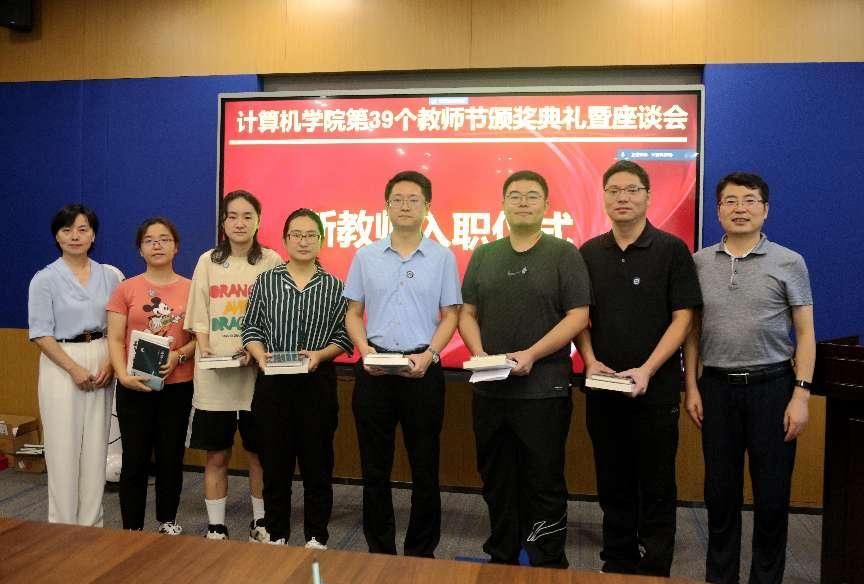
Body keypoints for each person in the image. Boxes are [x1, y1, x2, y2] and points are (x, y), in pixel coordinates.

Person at [683, 172, 815, 584]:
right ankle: (720, 578)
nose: (740, 208)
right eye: (731, 201)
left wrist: (801, 395)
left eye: (750, 200)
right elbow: (692, 332)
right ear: (718, 209)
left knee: (772, 498)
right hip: (716, 390)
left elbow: (805, 333)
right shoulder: (699, 262)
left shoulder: (789, 262)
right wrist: (691, 387)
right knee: (719, 496)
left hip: (772, 388)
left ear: (765, 209)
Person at [575, 160, 702, 576]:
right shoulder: (588, 253)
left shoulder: (671, 250)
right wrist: (590, 360)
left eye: (632, 190)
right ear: (604, 197)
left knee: (656, 483)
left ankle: (655, 566)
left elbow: (684, 319)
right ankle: (617, 559)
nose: (622, 198)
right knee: (612, 480)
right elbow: (579, 317)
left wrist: (647, 369)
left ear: (648, 196)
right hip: (603, 387)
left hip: (655, 389)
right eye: (614, 190)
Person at [458, 170, 591, 567]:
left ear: (546, 205)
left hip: (543, 391)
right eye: (514, 195)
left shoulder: (564, 254)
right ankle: (502, 555)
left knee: (543, 481)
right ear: (503, 204)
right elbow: (467, 313)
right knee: (496, 479)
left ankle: (546, 560)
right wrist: (480, 353)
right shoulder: (484, 254)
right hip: (490, 389)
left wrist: (532, 353)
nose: (522, 202)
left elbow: (578, 315)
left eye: (532, 196)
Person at [344, 170, 462, 557]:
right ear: (387, 207)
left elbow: (450, 315)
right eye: (397, 199)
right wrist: (364, 351)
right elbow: (353, 313)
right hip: (375, 368)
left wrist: (430, 355)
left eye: (414, 200)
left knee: (425, 468)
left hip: (421, 369)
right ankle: (379, 549)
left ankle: (421, 551)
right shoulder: (366, 256)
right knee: (374, 469)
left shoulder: (442, 257)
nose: (405, 206)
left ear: (427, 207)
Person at [242, 208, 352, 548]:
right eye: (297, 235)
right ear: (286, 240)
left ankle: (317, 535)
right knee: (275, 464)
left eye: (311, 235)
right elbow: (251, 328)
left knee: (318, 465)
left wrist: (321, 354)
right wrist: (260, 355)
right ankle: (276, 533)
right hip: (273, 384)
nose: (304, 241)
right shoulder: (266, 281)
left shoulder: (335, 286)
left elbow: (344, 336)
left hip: (317, 383)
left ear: (321, 240)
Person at [184, 190, 282, 541]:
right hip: (215, 377)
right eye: (232, 216)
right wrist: (207, 349)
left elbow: (277, 314)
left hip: (256, 376)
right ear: (223, 222)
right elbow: (199, 315)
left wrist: (255, 349)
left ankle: (261, 523)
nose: (240, 223)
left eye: (247, 216)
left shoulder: (271, 261)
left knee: (259, 455)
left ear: (258, 221)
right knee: (216, 455)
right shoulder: (207, 261)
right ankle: (216, 526)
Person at [27, 204, 122, 526]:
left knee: (96, 447)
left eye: (83, 229)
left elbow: (117, 326)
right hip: (61, 361)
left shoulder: (109, 276)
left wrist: (110, 363)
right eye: (67, 230)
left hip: (102, 356)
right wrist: (73, 369)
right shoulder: (44, 279)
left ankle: (92, 524)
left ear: (93, 235)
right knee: (62, 447)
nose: (75, 236)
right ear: (57, 236)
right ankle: (62, 526)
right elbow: (40, 333)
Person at [106, 217, 195, 534]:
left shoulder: (191, 288)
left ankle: (167, 520)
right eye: (149, 240)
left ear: (176, 247)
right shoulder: (126, 289)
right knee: (135, 459)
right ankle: (132, 528)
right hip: (134, 385)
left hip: (178, 385)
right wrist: (122, 375)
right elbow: (115, 338)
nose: (157, 245)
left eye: (164, 239)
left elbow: (200, 338)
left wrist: (178, 355)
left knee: (171, 457)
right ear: (140, 249)